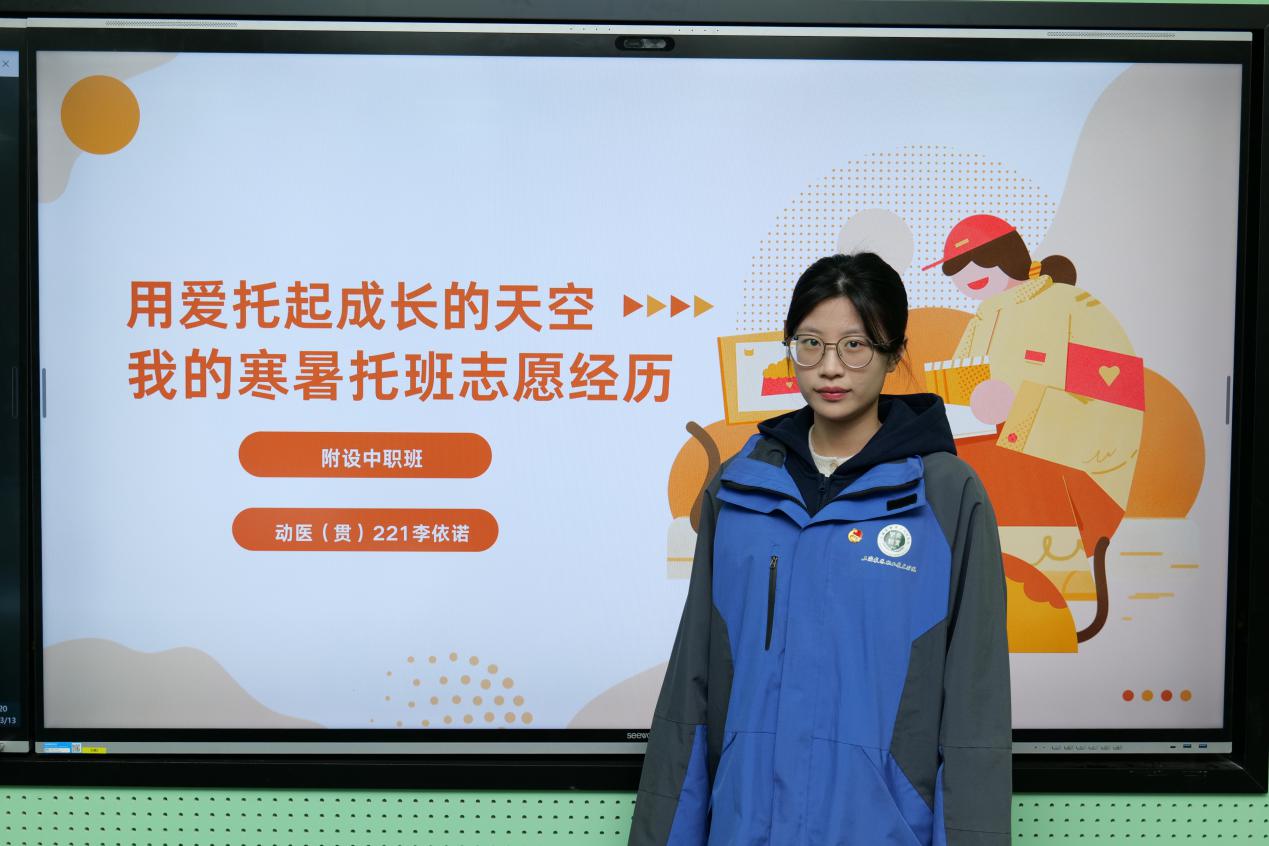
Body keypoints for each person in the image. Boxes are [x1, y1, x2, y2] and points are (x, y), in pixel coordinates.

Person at [628, 252, 1011, 846]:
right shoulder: (738, 489)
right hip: (744, 829)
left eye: (855, 345)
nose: (831, 368)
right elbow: (690, 691)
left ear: (894, 352)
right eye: (810, 344)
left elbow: (975, 708)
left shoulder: (946, 495)